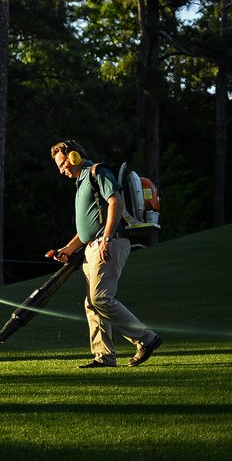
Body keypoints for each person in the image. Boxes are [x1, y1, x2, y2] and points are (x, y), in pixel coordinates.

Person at [48, 140, 163, 368]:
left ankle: (146, 339)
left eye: (62, 164)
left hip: (109, 242)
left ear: (74, 157)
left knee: (101, 298)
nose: (62, 170)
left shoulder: (96, 172)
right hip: (93, 245)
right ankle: (104, 357)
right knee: (92, 303)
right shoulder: (81, 182)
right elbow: (88, 226)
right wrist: (69, 248)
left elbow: (115, 202)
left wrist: (106, 240)